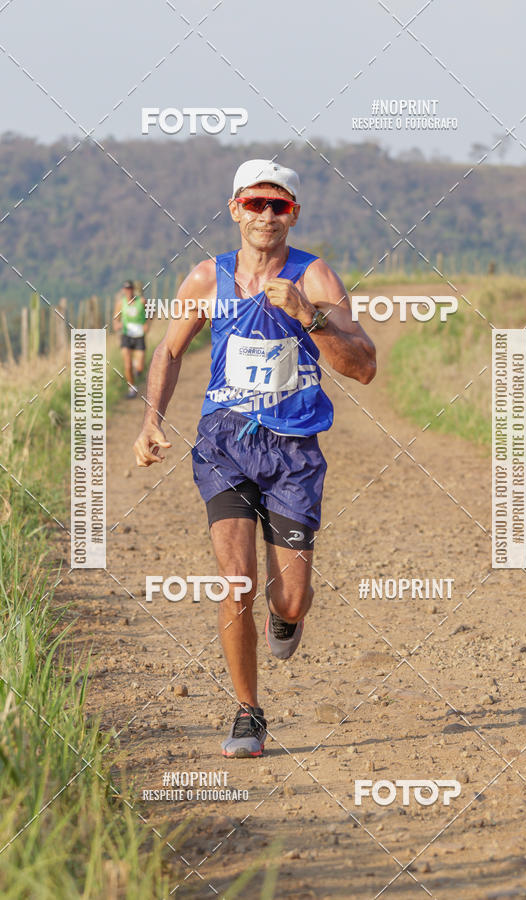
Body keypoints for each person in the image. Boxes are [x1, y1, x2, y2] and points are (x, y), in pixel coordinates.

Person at [133, 159, 376, 758]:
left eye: (279, 206)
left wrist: (305, 314)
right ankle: (248, 712)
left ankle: (287, 616)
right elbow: (168, 350)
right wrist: (150, 422)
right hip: (224, 442)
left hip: (293, 449)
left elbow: (363, 365)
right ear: (235, 209)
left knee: (288, 597)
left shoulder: (314, 277)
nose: (266, 215)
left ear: (293, 214)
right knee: (234, 582)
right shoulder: (206, 279)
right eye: (255, 204)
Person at [114, 280, 149, 398]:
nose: (128, 291)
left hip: (139, 336)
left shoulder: (142, 301)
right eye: (126, 289)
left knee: (139, 367)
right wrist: (117, 325)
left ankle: (136, 370)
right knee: (127, 365)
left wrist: (147, 324)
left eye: (130, 289)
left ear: (133, 290)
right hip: (126, 336)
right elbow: (115, 319)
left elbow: (151, 311)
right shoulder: (121, 303)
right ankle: (132, 388)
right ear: (124, 291)